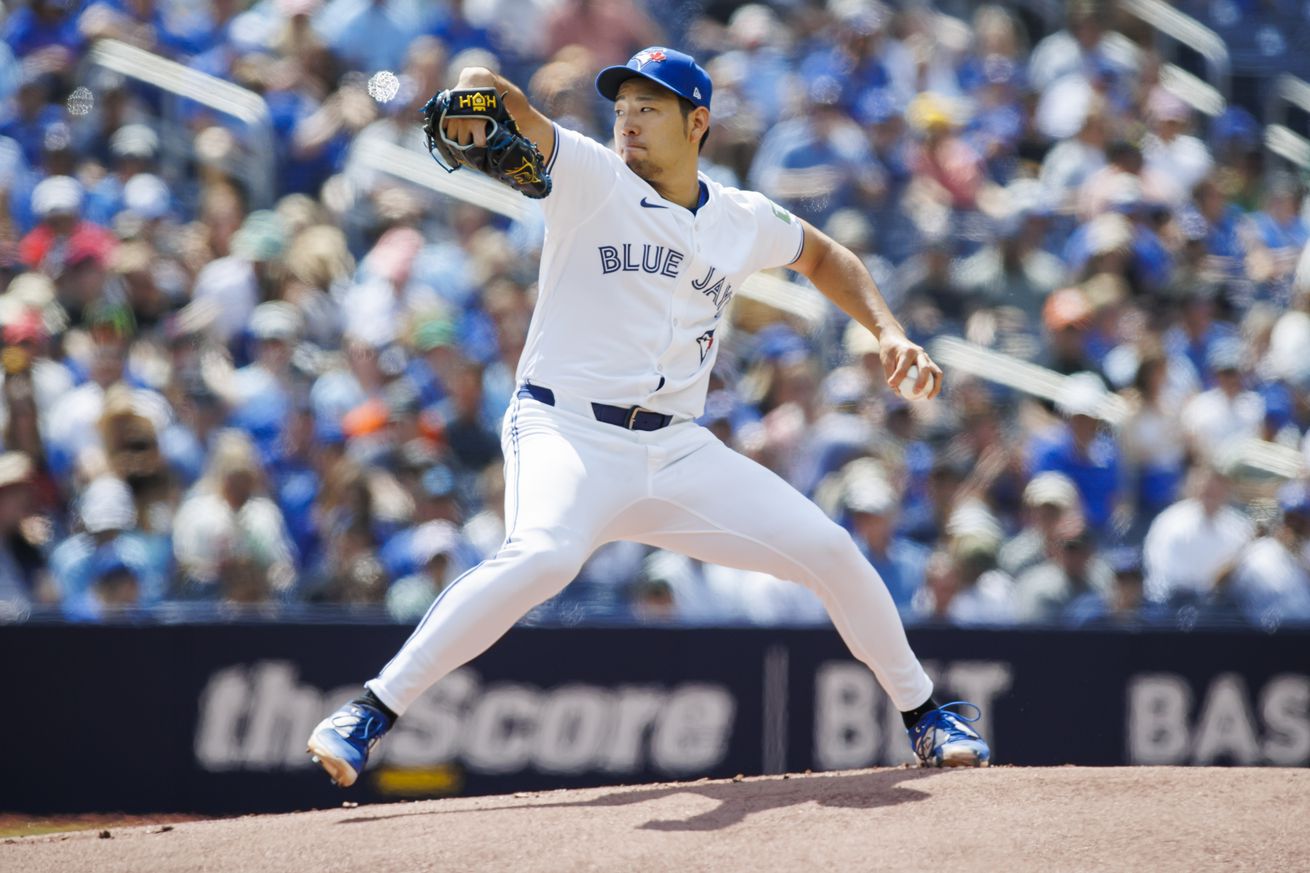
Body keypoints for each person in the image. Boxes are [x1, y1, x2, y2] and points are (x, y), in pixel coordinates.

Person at [306, 47, 990, 785]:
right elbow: (504, 104)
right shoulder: (589, 176)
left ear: (698, 122)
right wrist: (476, 87)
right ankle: (368, 712)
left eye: (649, 108)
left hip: (676, 452)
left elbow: (824, 256)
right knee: (545, 555)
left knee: (830, 550)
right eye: (622, 107)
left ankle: (926, 716)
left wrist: (887, 329)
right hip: (566, 431)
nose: (628, 120)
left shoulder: (740, 218)